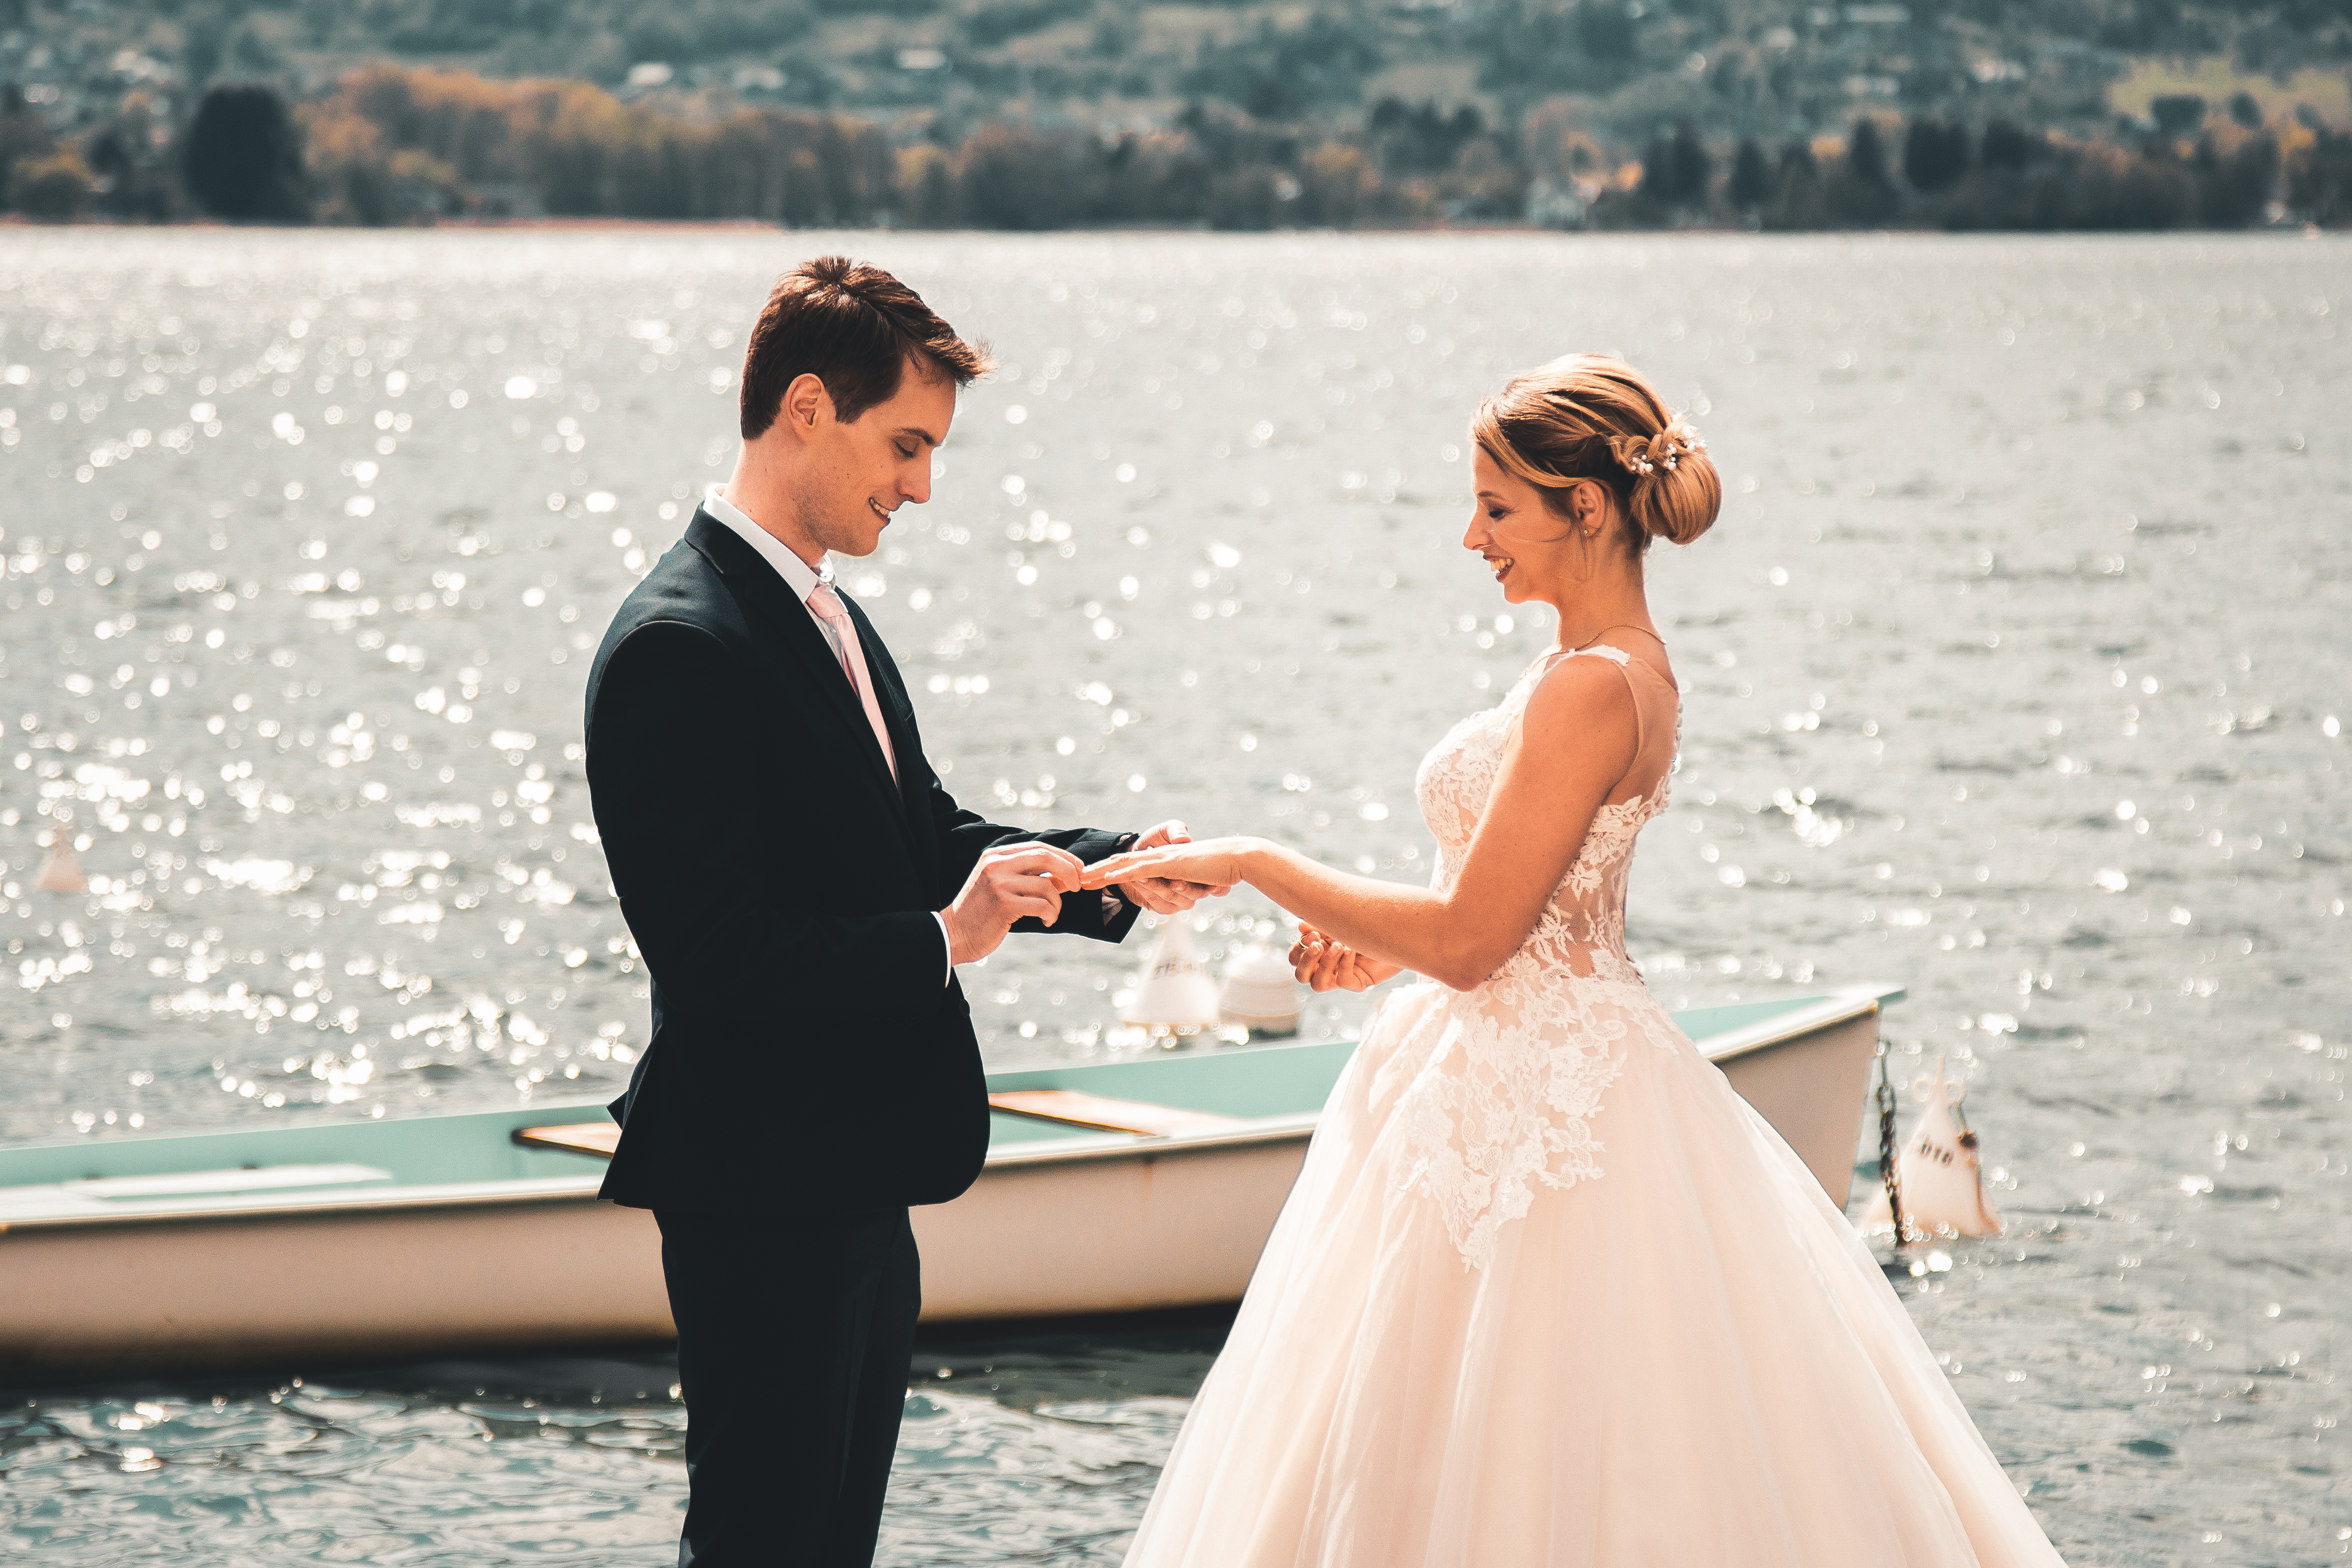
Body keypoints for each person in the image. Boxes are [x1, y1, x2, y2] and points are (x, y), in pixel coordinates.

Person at [1079, 356, 2069, 1567]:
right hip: (1497, 1076)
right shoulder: (1594, 669)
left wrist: (1256, 858)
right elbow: (1497, 917)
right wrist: (1374, 953)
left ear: (1585, 507)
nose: (1470, 537)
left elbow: (1474, 941)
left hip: (1546, 1114)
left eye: (1497, 508)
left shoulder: (1597, 687)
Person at [583, 256, 1216, 1568]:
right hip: (760, 1192)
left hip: (861, 1184)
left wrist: (1110, 871)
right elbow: (715, 960)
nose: (921, 484)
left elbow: (920, 839)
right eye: (906, 444)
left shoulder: (831, 620)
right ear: (806, 406)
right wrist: (947, 935)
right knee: (761, 1543)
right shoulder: (673, 648)